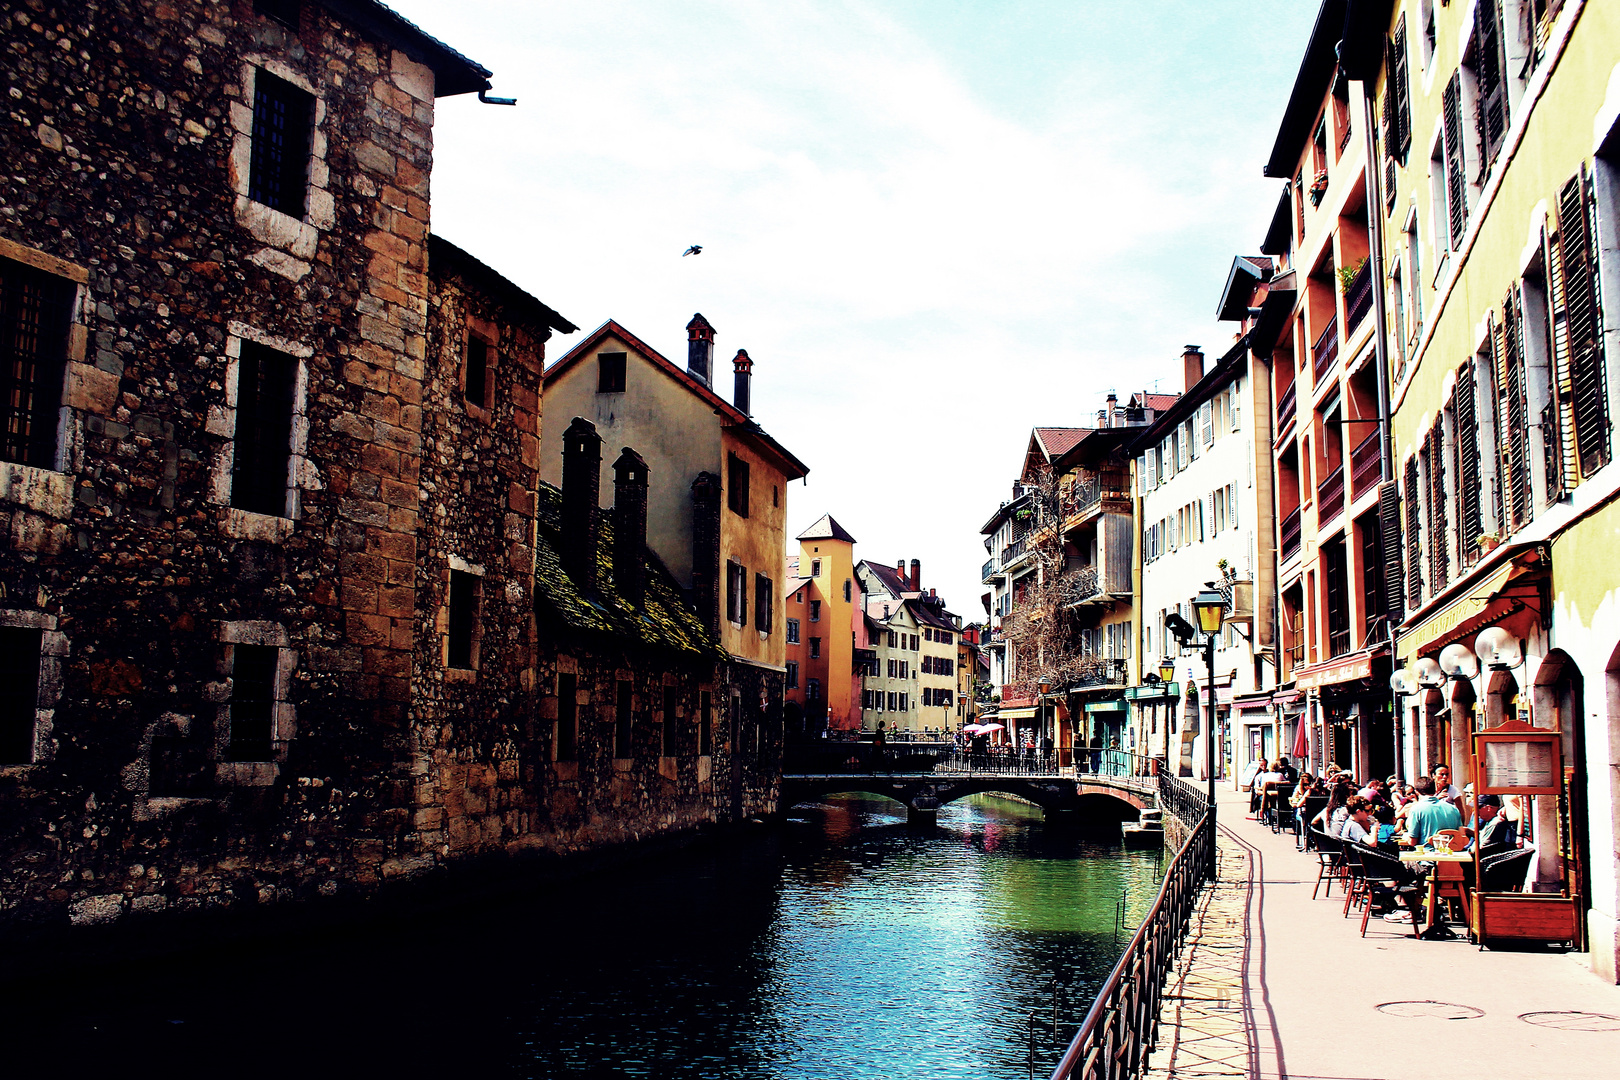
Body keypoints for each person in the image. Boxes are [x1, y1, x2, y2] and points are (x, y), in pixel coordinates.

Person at [1403, 775, 1463, 846]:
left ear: (1416, 792)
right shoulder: (1453, 809)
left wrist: (1406, 836)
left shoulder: (1416, 809)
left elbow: (1412, 841)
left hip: (1428, 853)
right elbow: (1460, 835)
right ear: (1435, 790)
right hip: (1451, 852)